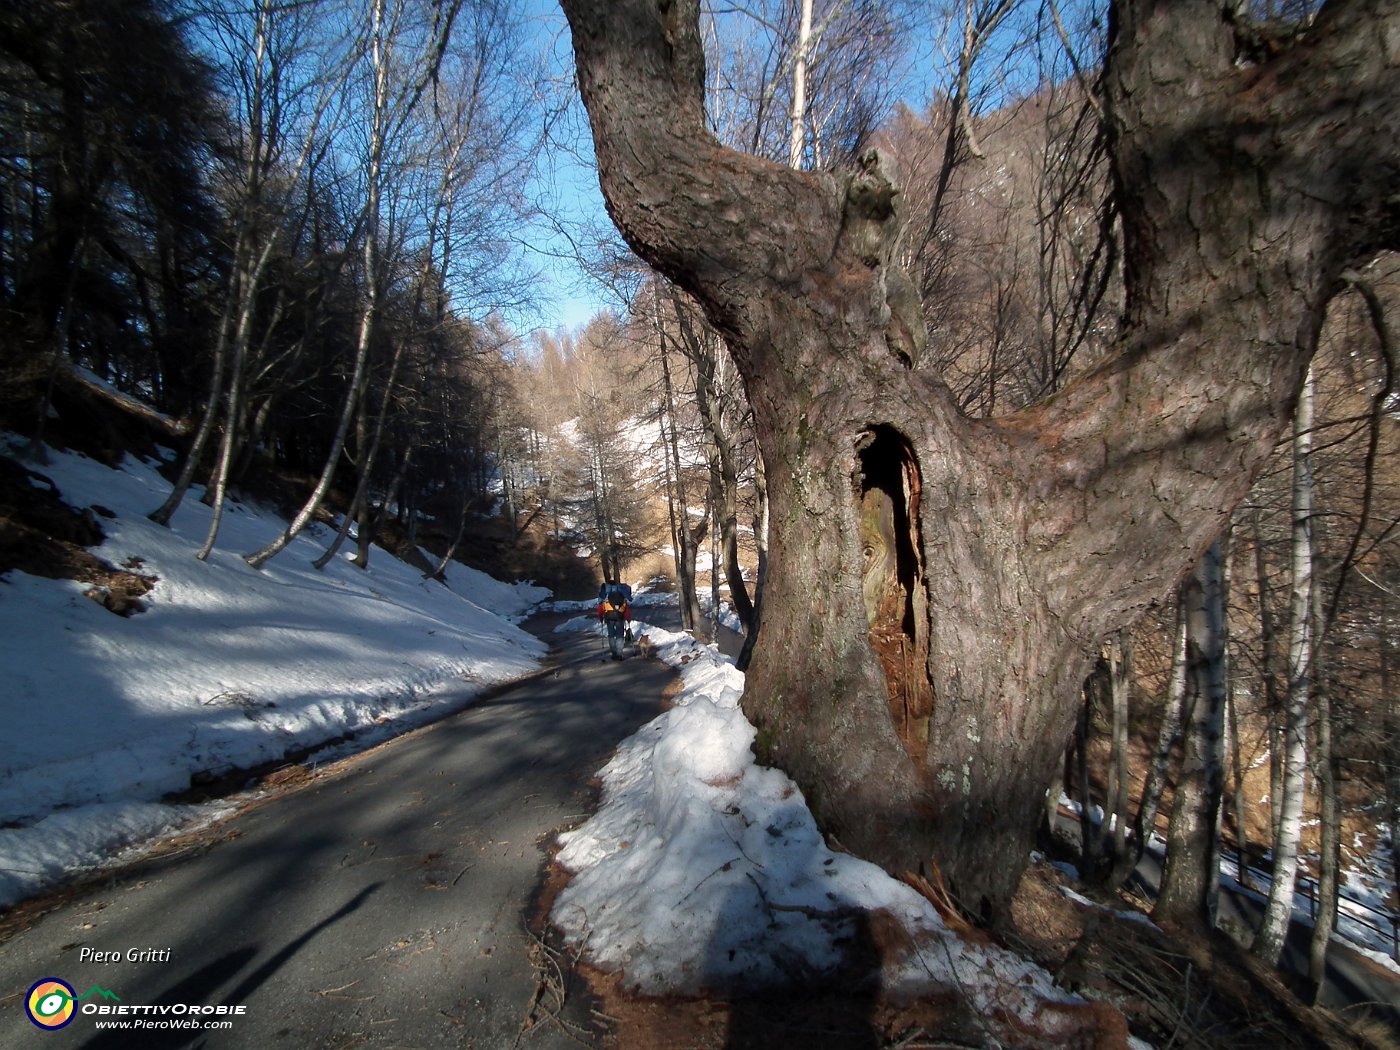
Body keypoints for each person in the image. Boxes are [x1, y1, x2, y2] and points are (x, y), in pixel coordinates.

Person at [596, 580, 631, 660]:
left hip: (609, 617)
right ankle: (619, 654)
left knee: (611, 635)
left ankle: (614, 653)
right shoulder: (621, 592)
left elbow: (600, 607)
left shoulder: (605, 594)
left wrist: (601, 617)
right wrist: (628, 618)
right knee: (620, 635)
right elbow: (626, 607)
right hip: (620, 617)